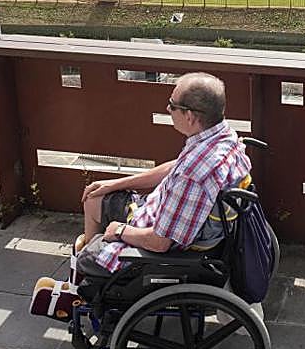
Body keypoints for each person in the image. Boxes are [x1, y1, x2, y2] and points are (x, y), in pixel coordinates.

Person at [78, 72, 251, 271]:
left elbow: (159, 243)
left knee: (87, 256)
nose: (168, 109)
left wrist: (119, 231)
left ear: (189, 116)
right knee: (95, 198)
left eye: (172, 104)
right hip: (164, 213)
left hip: (159, 243)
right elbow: (173, 167)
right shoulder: (222, 137)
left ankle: (91, 278)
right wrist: (115, 183)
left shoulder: (193, 174)